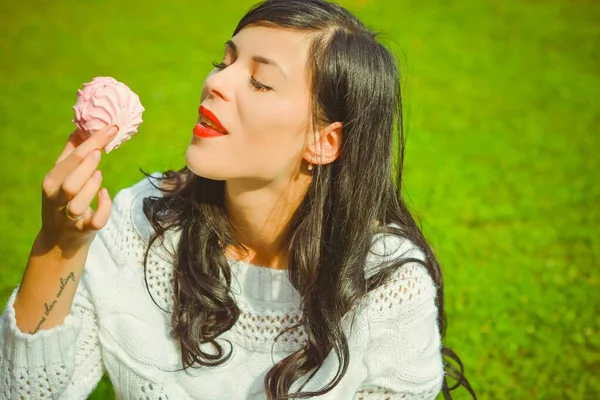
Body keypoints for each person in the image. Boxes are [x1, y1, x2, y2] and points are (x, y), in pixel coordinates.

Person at [0, 0, 476, 399]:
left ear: (323, 141)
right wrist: (59, 245)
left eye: (260, 81)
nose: (216, 84)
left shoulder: (387, 289)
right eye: (223, 64)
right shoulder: (139, 222)